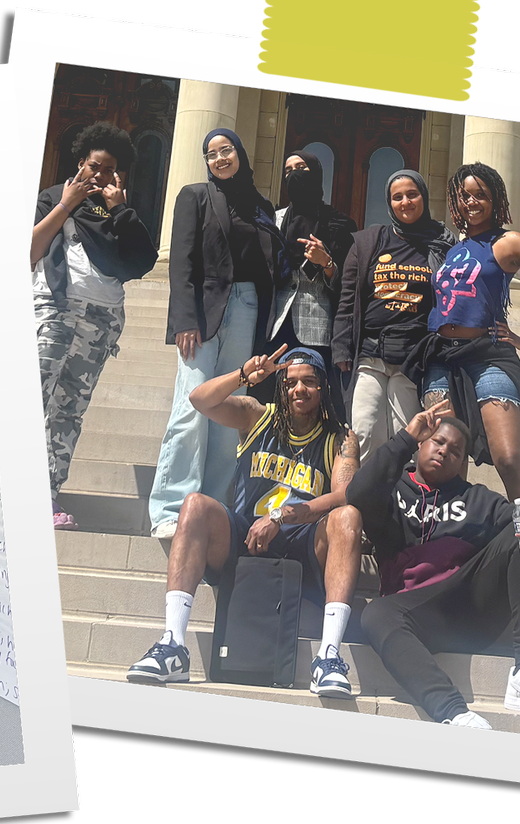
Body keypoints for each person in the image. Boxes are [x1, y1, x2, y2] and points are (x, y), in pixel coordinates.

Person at [123, 346, 366, 698]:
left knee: (348, 517)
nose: (299, 389)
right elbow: (199, 400)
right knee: (195, 504)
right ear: (281, 387)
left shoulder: (340, 438)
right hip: (245, 538)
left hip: (302, 543)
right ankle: (173, 645)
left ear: (323, 388)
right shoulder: (257, 416)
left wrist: (283, 516)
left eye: (309, 382)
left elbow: (345, 494)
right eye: (291, 382)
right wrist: (243, 376)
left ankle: (328, 657)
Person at [350, 401, 520, 727]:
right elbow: (356, 494)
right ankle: (454, 713)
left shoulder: (476, 499)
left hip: (464, 605)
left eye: (456, 451)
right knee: (375, 613)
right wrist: (405, 436)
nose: (445, 452)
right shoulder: (391, 491)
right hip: (411, 613)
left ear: (462, 463)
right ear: (421, 444)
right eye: (438, 442)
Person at [410, 162, 520, 556]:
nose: (472, 201)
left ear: (494, 198)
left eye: (481, 193)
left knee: (508, 457)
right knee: (444, 461)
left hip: (488, 355)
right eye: (465, 195)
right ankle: (439, 547)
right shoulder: (450, 249)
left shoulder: (509, 242)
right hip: (441, 360)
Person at [149, 128, 280, 540]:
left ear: (240, 153)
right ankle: (171, 508)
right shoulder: (194, 196)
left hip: (247, 308)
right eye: (211, 154)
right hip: (203, 315)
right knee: (191, 407)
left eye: (226, 151)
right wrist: (184, 318)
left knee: (229, 412)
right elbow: (181, 261)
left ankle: (213, 507)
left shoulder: (262, 206)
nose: (220, 159)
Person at [33, 122, 156, 531]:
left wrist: (120, 208)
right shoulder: (54, 196)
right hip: (55, 306)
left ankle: (47, 497)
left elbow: (142, 261)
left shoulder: (118, 209)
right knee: (34, 398)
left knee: (69, 411)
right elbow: (29, 249)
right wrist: (66, 204)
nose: (100, 176)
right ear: (80, 161)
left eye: (109, 170)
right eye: (95, 166)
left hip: (102, 318)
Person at [332, 168, 443, 462]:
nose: (405, 202)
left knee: (404, 437)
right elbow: (348, 297)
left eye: (412, 194)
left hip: (411, 358)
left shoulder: (441, 245)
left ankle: (399, 504)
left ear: (424, 197)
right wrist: (341, 347)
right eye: (397, 197)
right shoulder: (369, 242)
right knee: (365, 433)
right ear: (389, 203)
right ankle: (366, 504)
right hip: (370, 356)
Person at [271, 151, 354, 356]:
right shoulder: (274, 220)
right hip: (276, 323)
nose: (294, 175)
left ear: (316, 173)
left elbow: (347, 284)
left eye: (301, 168)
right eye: (288, 171)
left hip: (317, 326)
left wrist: (326, 262)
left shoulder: (338, 224)